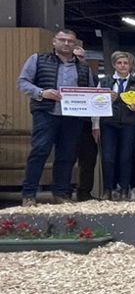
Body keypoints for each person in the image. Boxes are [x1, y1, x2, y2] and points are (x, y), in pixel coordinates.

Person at [16, 29, 96, 206]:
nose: (66, 43)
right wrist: (42, 92)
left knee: (67, 155)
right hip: (46, 113)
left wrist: (105, 98)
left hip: (72, 117)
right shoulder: (38, 59)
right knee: (40, 151)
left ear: (76, 45)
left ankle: (60, 193)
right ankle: (29, 194)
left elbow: (90, 90)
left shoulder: (84, 67)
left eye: (70, 41)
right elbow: (22, 82)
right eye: (62, 40)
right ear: (54, 42)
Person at [98, 51, 135, 201]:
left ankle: (125, 188)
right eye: (119, 63)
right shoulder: (104, 82)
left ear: (130, 65)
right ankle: (108, 189)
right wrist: (106, 101)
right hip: (108, 123)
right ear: (114, 65)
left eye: (125, 63)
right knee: (108, 157)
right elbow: (96, 103)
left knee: (126, 157)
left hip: (130, 124)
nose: (123, 66)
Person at [73, 40, 99, 201]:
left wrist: (96, 125)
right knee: (66, 157)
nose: (79, 59)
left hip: (86, 122)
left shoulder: (93, 77)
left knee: (88, 158)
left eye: (81, 57)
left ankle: (85, 192)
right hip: (65, 121)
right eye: (76, 57)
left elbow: (97, 100)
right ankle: (63, 191)